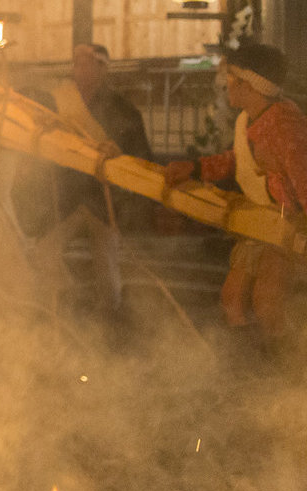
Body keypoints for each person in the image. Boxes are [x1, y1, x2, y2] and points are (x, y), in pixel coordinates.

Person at [164, 42, 307, 359]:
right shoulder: (248, 119)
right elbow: (237, 160)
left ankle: (285, 369)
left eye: (231, 78)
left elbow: (304, 176)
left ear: (250, 84)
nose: (224, 83)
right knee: (232, 299)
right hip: (259, 221)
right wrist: (196, 168)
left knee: (268, 302)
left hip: (287, 227)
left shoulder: (285, 124)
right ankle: (247, 364)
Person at [32, 43, 151, 330]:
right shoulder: (58, 103)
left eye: (86, 63)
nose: (79, 69)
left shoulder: (123, 109)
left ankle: (111, 319)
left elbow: (141, 157)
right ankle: (66, 298)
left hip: (103, 196)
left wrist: (118, 153)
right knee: (43, 251)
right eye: (76, 63)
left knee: (105, 262)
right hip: (70, 196)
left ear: (102, 68)